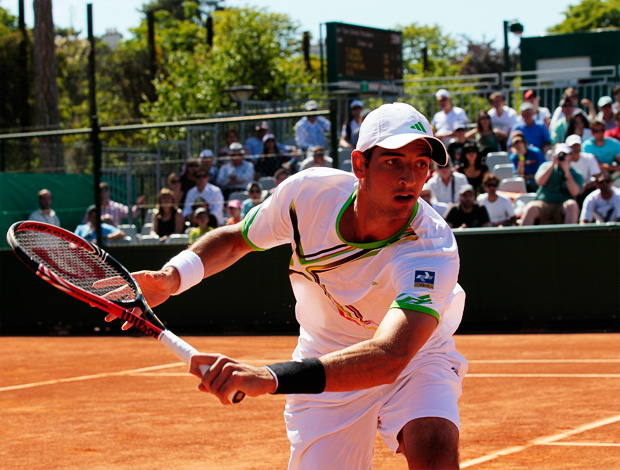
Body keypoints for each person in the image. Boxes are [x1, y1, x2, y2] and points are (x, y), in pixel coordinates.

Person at [120, 102, 468, 470]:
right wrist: (171, 278)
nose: (410, 178)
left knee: (435, 453)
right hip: (326, 352)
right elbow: (238, 239)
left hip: (417, 355)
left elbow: (391, 356)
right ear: (359, 165)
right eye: (394, 161)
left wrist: (268, 376)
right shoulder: (308, 195)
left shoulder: (433, 248)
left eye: (421, 164)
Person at [521, 144, 583, 226]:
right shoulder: (545, 166)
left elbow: (575, 193)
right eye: (559, 155)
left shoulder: (575, 174)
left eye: (565, 155)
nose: (562, 157)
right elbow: (539, 182)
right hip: (544, 203)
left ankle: (569, 237)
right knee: (531, 207)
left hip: (562, 205)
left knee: (572, 205)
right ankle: (522, 237)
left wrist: (567, 172)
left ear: (570, 156)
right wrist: (552, 164)